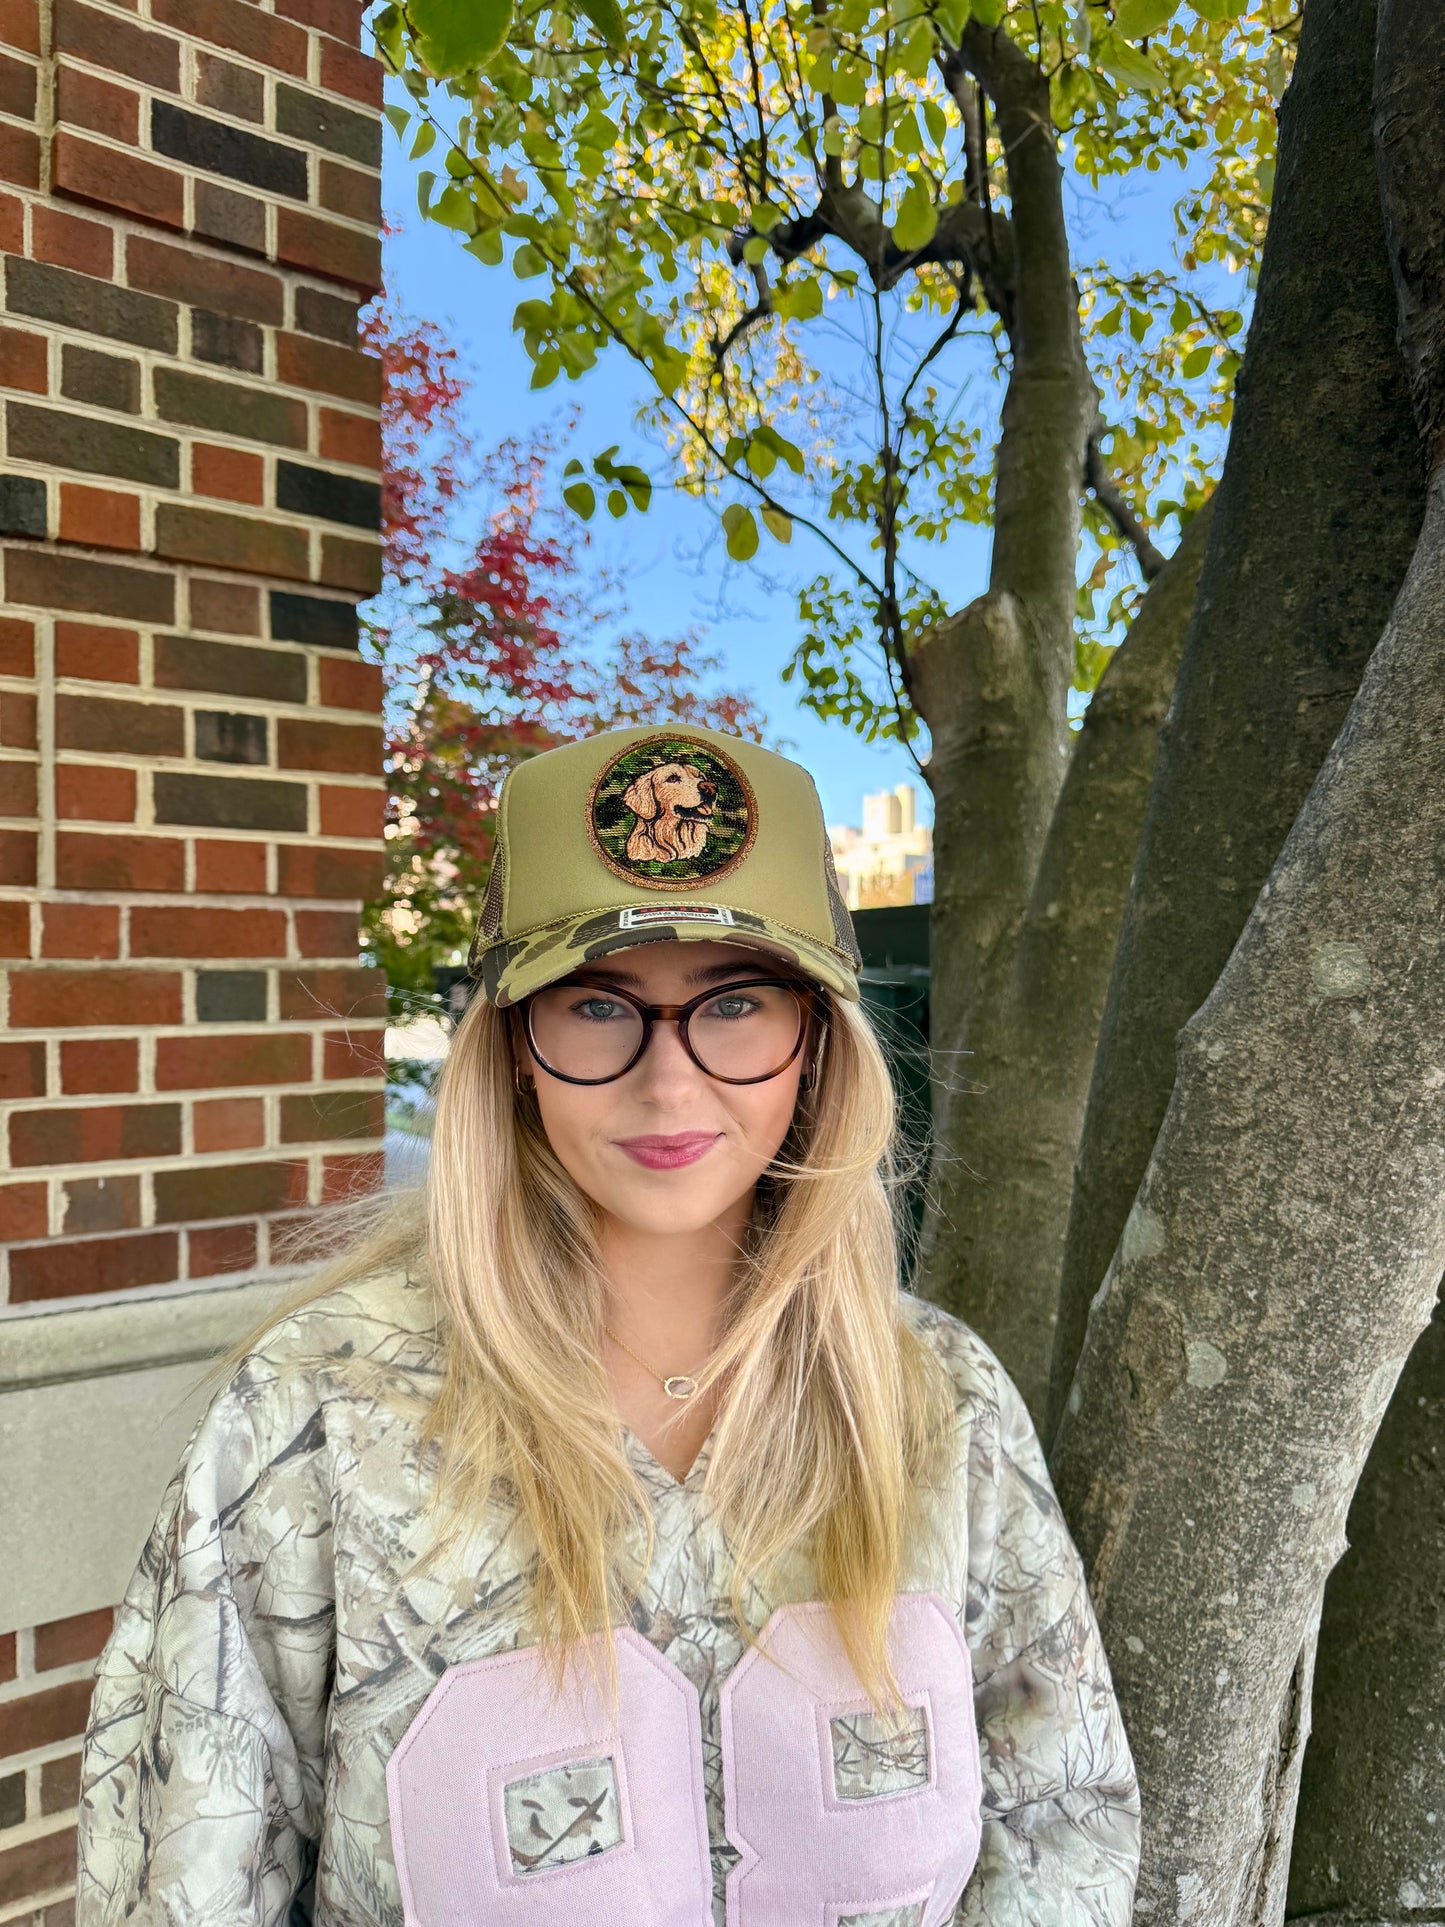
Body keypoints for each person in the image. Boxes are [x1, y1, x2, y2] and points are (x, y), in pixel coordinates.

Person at [75, 724, 1141, 1926]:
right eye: (595, 1004)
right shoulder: (316, 1411)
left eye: (735, 1002)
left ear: (820, 1048)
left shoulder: (935, 1399)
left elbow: (1064, 1834)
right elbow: (179, 1880)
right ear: (513, 1052)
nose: (668, 1081)